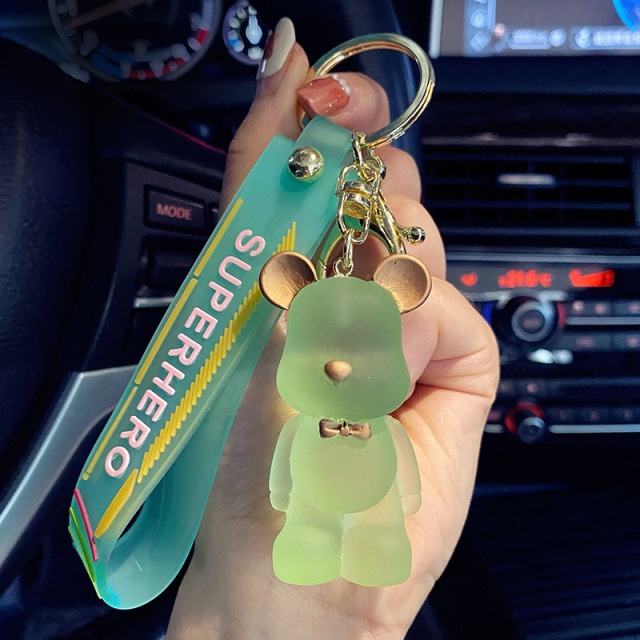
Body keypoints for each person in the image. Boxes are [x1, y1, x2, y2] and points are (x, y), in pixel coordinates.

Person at [166, 18, 499, 640]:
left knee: (380, 526)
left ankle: (372, 546)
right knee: (307, 525)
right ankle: (310, 546)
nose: (341, 365)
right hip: (300, 520)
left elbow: (404, 482)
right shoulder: (293, 425)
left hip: (373, 511)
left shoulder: (383, 427)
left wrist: (402, 504)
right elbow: (282, 481)